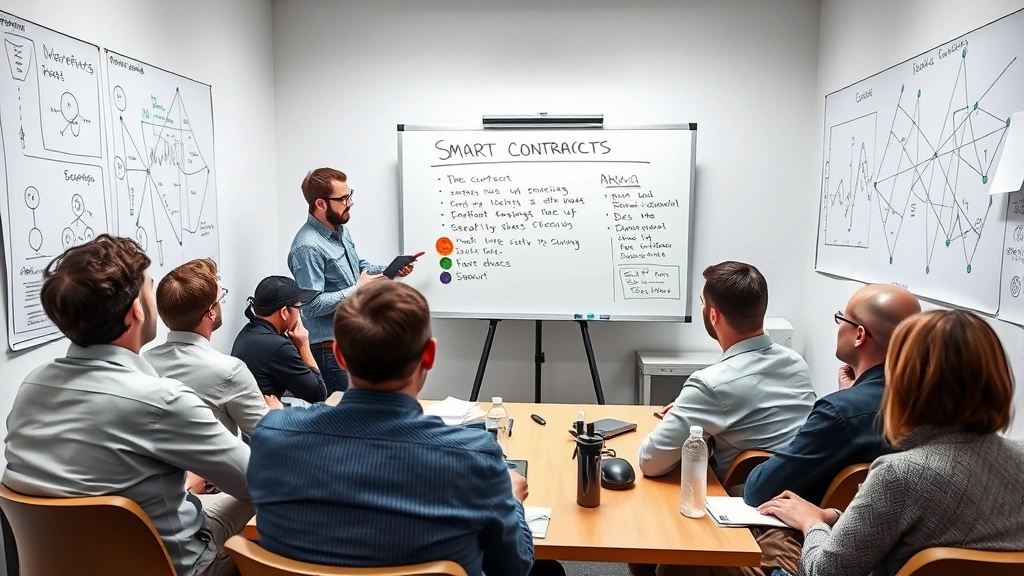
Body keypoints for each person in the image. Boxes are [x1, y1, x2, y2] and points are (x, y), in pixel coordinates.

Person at [3, 235, 253, 576]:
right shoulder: (164, 400)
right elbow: (261, 481)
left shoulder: (31, 386)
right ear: (137, 309)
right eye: (150, 286)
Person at [247, 282, 534, 576]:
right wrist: (511, 499)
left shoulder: (272, 437)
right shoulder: (474, 456)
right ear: (429, 355)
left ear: (339, 355)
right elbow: (514, 567)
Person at [758, 309, 1024, 576]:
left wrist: (812, 523)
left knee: (765, 545)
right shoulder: (1020, 458)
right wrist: (837, 516)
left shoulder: (900, 473)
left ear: (906, 381)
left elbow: (825, 572)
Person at [742, 284, 921, 507]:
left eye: (842, 318)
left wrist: (847, 404)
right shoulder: (934, 402)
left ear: (859, 335)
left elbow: (758, 490)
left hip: (822, 533)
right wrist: (852, 397)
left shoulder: (840, 413)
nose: (838, 326)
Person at [637, 261, 816, 480]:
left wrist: (683, 415)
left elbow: (650, 462)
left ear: (713, 316)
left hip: (740, 502)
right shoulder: (796, 363)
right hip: (802, 495)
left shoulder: (710, 385)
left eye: (702, 303)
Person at [287, 167, 417, 394]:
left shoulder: (340, 230)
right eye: (344, 198)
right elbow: (311, 305)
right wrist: (357, 289)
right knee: (344, 420)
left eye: (350, 194)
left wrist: (390, 270)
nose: (351, 203)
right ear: (320, 204)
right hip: (328, 350)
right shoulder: (307, 247)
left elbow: (359, 268)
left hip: (352, 341)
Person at [145, 258, 283, 439]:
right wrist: (276, 413)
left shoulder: (143, 363)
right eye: (221, 298)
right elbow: (272, 435)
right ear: (210, 312)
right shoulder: (230, 371)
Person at [230, 275, 328, 404]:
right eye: (298, 307)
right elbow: (319, 394)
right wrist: (303, 345)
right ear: (284, 312)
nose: (299, 314)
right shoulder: (278, 347)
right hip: (265, 420)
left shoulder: (248, 332)